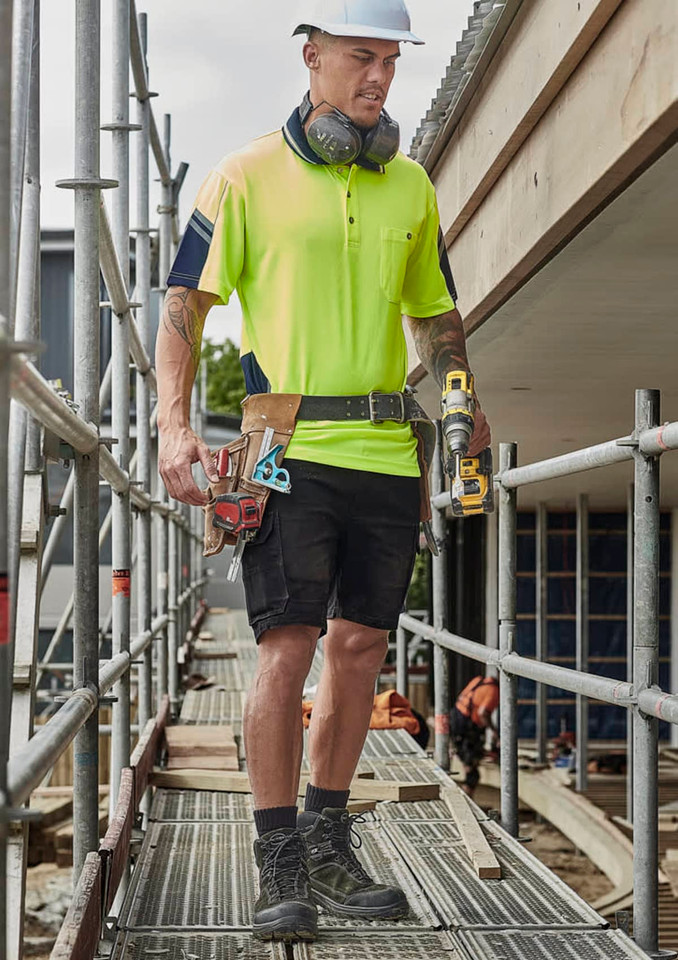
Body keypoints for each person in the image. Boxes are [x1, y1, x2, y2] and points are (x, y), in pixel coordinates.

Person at [155, 0, 491, 942]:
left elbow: (436, 314)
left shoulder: (412, 186)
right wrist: (172, 422)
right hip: (283, 446)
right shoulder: (245, 175)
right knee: (285, 645)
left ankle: (331, 841)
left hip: (387, 449)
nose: (378, 76)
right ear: (311, 59)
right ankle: (278, 861)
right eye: (359, 57)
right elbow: (187, 301)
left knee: (358, 651)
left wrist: (461, 400)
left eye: (390, 60)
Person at [451, 675, 500, 798]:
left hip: (457, 719)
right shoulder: (494, 690)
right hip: (466, 727)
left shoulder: (479, 680)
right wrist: (494, 731)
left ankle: (467, 799)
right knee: (472, 773)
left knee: (471, 765)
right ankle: (467, 802)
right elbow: (483, 713)